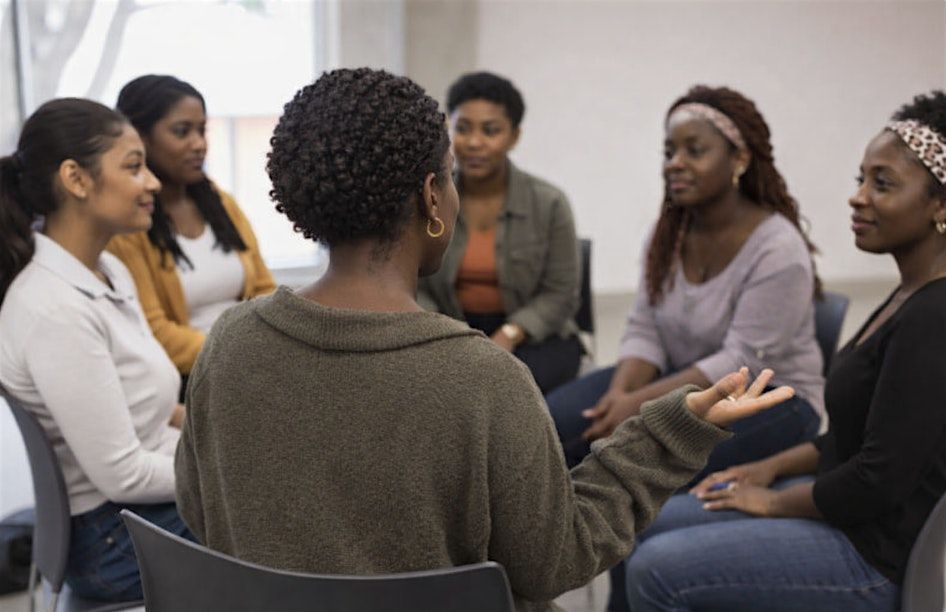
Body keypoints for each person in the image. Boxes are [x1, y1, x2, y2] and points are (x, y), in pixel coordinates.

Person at [173, 68, 793, 612]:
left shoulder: (229, 344)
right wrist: (670, 432)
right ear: (430, 197)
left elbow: (202, 512)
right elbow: (555, 562)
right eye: (448, 175)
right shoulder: (482, 379)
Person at [620, 90, 946, 612]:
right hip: (843, 512)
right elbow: (851, 438)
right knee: (644, 520)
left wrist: (773, 502)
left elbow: (877, 481)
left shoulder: (934, 316)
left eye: (881, 184)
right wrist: (767, 468)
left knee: (656, 570)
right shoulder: (908, 294)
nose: (857, 197)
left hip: (871, 557)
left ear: (940, 206)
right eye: (860, 179)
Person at [548, 85, 825, 475]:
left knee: (636, 455)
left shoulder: (778, 249)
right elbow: (645, 328)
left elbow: (739, 362)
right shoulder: (668, 235)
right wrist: (619, 395)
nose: (674, 164)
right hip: (682, 379)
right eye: (669, 152)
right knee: (550, 423)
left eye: (694, 151)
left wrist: (640, 407)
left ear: (740, 159)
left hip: (768, 397)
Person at [0, 98, 192, 601]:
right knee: (296, 522)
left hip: (139, 510)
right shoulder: (53, 309)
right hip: (113, 540)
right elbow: (124, 476)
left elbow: (152, 407)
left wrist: (229, 437)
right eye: (134, 166)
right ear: (76, 179)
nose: (153, 182)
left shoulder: (108, 271)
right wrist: (230, 472)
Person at [417, 71, 582, 394]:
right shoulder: (430, 197)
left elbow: (561, 293)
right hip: (449, 329)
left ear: (514, 136)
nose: (474, 142)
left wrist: (510, 333)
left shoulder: (548, 202)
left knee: (509, 390)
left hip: (531, 336)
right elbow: (414, 280)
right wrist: (447, 333)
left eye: (490, 130)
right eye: (463, 128)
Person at [107, 75, 275, 384]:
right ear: (140, 138)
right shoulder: (128, 225)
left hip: (253, 363)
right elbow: (153, 331)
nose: (199, 144)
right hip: (192, 379)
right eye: (182, 131)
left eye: (202, 130)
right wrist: (242, 353)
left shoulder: (222, 204)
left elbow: (265, 289)